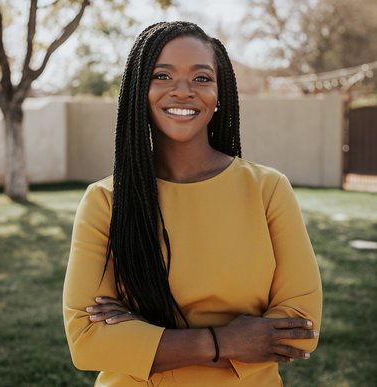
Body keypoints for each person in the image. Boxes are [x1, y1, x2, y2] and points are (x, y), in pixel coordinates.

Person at [63, 21, 322, 387]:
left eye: (201, 78)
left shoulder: (267, 190)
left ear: (220, 93)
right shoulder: (106, 202)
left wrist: (144, 339)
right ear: (139, 90)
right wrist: (226, 341)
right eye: (162, 75)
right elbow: (87, 341)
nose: (182, 91)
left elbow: (299, 329)